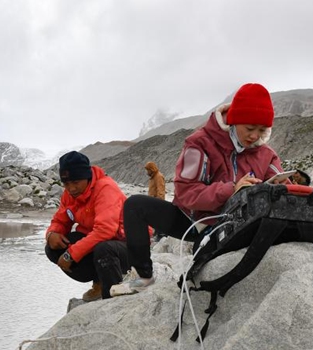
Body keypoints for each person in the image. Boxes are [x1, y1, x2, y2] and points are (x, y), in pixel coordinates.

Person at [110, 83, 289, 296]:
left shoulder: (266, 153)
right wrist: (231, 189)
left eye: (262, 131)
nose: (255, 136)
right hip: (194, 221)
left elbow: (277, 183)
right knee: (134, 205)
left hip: (239, 223)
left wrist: (284, 185)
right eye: (249, 128)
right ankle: (144, 276)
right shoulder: (199, 143)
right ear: (233, 120)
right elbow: (186, 194)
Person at [45, 151, 130, 301]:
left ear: (87, 176)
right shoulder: (70, 195)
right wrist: (52, 234)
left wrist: (70, 254)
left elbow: (105, 231)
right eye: (66, 184)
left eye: (76, 182)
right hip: (100, 243)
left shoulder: (105, 188)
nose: (71, 188)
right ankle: (99, 281)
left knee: (103, 248)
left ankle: (112, 295)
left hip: (128, 245)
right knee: (53, 248)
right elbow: (60, 221)